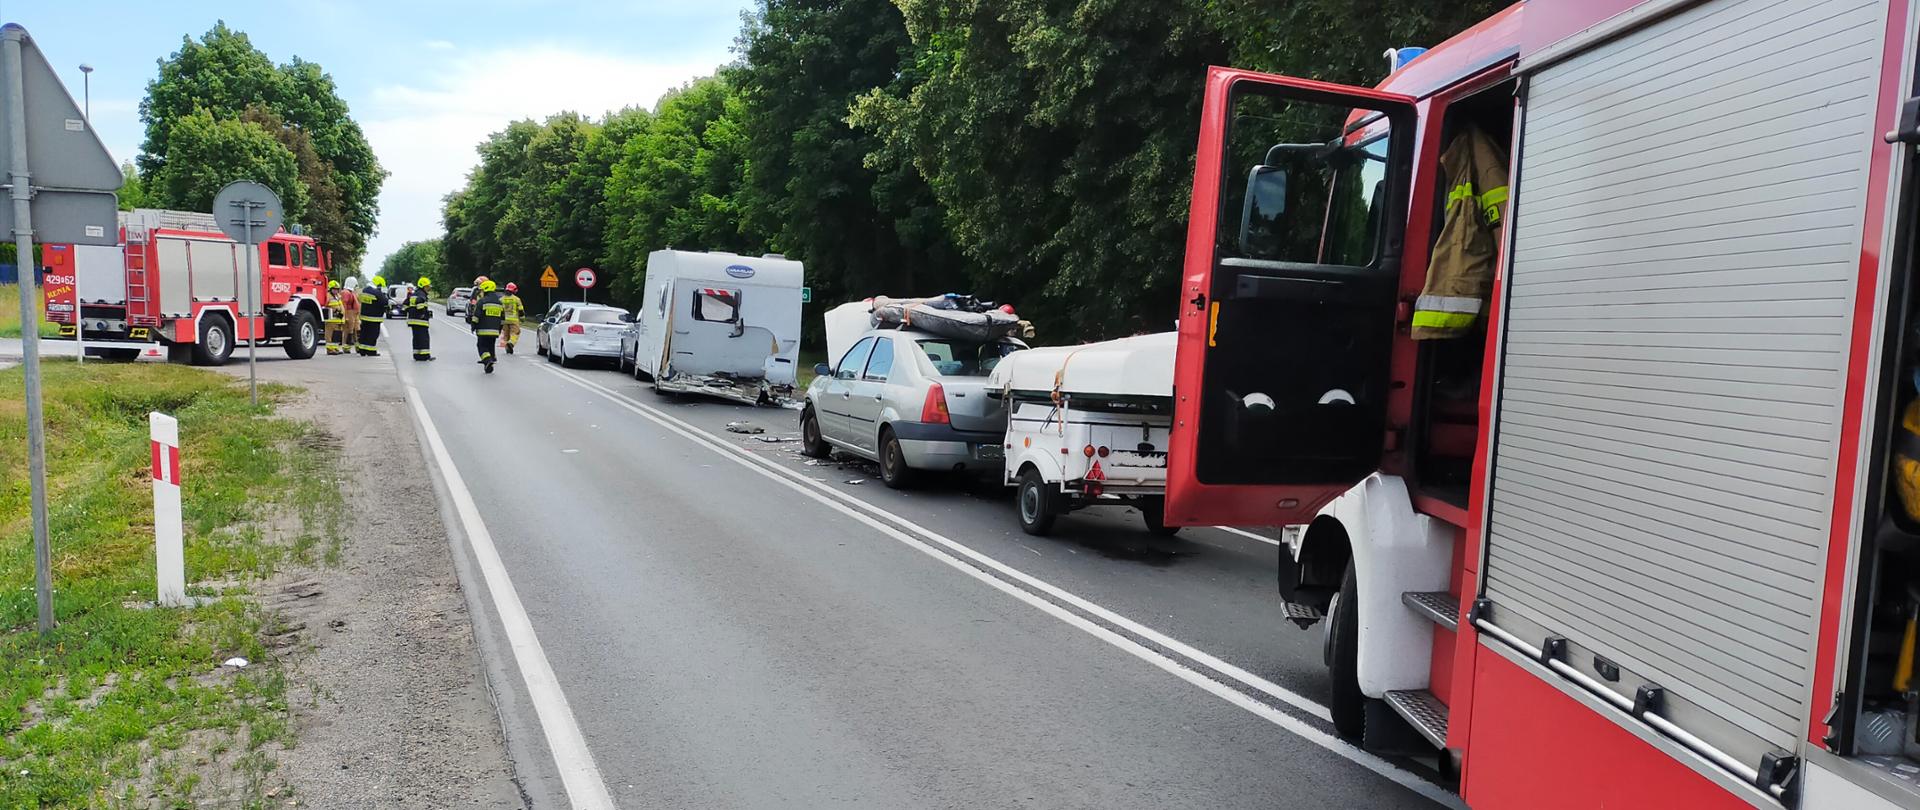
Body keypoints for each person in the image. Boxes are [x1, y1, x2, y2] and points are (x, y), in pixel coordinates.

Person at [468, 279, 505, 373]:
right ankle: (490, 360)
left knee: (481, 346)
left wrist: (473, 326)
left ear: (486, 290)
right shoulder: (499, 303)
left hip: (483, 331)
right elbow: (502, 319)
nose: (481, 292)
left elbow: (476, 316)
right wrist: (499, 329)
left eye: (482, 290)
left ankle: (487, 360)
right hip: (495, 331)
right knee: (490, 346)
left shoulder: (482, 301)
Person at [358, 275, 389, 357]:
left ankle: (362, 350)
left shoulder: (365, 290)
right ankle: (371, 351)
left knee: (364, 333)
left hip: (364, 317)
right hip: (374, 318)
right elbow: (385, 302)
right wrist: (384, 294)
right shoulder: (377, 293)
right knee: (373, 335)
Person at [406, 276, 435, 361]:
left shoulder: (414, 294)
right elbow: (420, 305)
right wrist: (423, 313)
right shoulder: (422, 295)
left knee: (416, 338)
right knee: (424, 338)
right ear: (423, 286)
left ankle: (417, 355)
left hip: (413, 320)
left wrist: (411, 312)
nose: (429, 288)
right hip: (420, 321)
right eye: (427, 286)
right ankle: (425, 356)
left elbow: (405, 304)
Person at [323, 280, 347, 355]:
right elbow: (324, 307)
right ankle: (330, 350)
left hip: (338, 320)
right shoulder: (327, 296)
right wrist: (335, 312)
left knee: (336, 335)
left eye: (337, 289)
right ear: (330, 289)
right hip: (331, 320)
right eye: (334, 289)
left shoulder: (338, 296)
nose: (336, 291)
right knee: (329, 335)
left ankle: (335, 348)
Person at [500, 282, 525, 354]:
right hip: (514, 320)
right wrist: (522, 318)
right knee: (515, 333)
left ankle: (507, 348)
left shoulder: (501, 299)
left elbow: (500, 311)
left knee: (506, 335)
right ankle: (511, 343)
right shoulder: (516, 299)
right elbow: (521, 310)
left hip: (504, 320)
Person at [341, 276, 362, 352]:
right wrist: (345, 316)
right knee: (348, 331)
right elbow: (344, 305)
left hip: (354, 315)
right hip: (349, 314)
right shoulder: (346, 293)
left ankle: (358, 346)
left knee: (356, 330)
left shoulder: (352, 292)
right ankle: (346, 347)